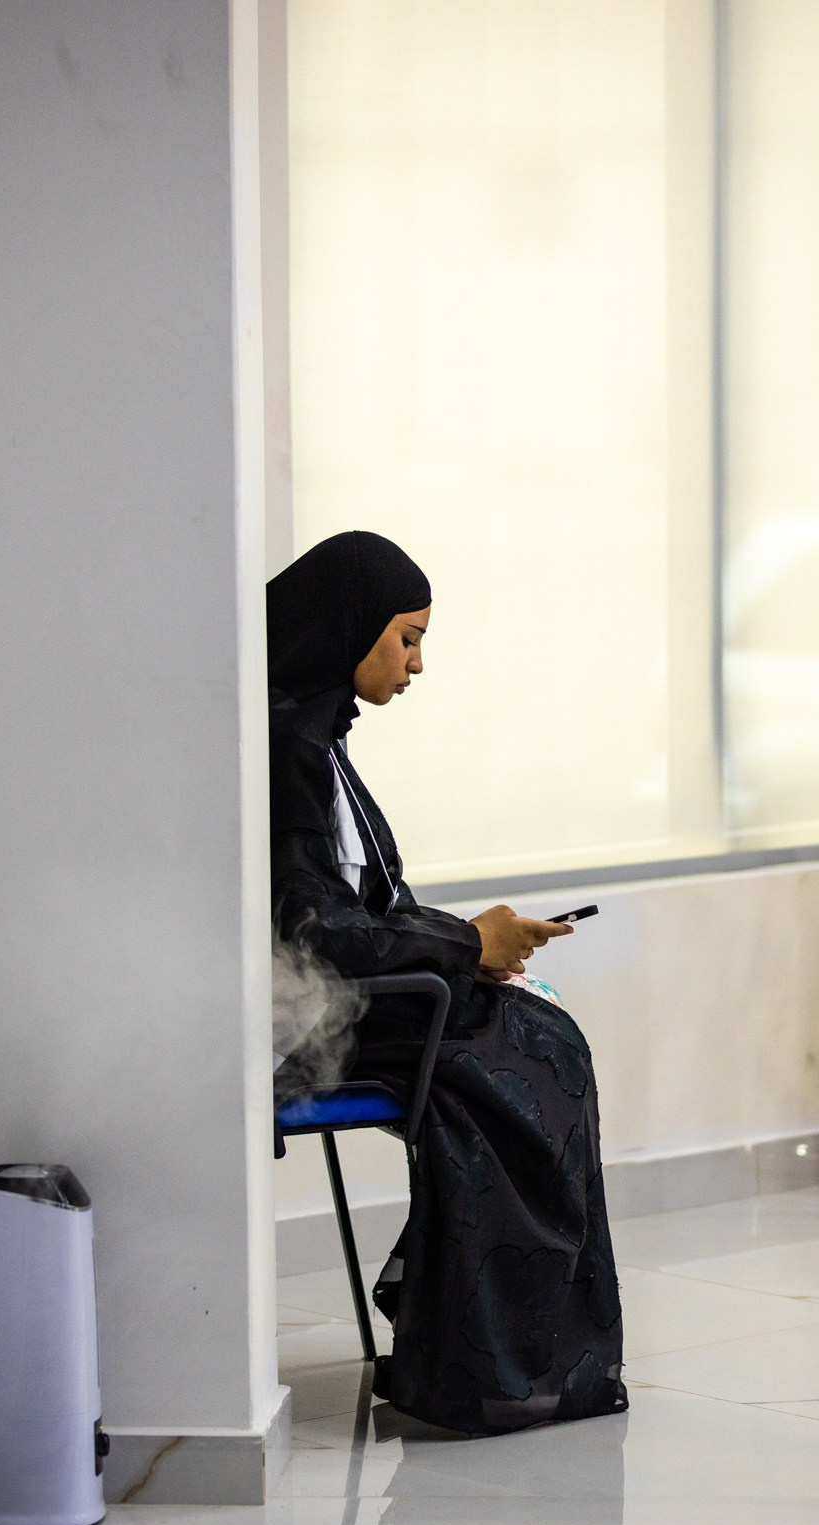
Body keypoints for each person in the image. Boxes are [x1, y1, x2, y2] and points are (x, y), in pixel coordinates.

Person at [265, 530, 628, 1436]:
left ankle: (522, 1356)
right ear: (352, 627)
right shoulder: (288, 756)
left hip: (365, 1005)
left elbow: (358, 914)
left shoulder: (316, 740)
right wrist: (466, 943)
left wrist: (472, 948)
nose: (418, 663)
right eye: (408, 637)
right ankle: (500, 1366)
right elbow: (314, 935)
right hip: (326, 1027)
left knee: (545, 1040)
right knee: (538, 1058)